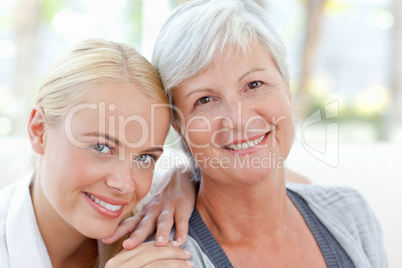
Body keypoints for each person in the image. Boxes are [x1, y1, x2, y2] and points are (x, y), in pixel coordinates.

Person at [120, 0, 387, 267]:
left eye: (254, 84)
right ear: (179, 127)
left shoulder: (350, 214)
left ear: (287, 88)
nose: (239, 119)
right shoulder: (165, 259)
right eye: (204, 100)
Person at [0, 39, 195, 267]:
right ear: (39, 130)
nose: (124, 184)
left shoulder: (160, 206)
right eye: (101, 147)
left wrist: (184, 181)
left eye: (145, 158)